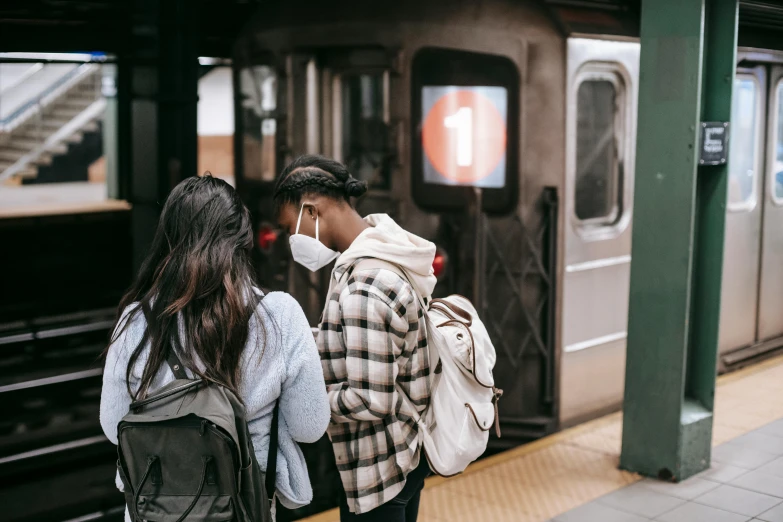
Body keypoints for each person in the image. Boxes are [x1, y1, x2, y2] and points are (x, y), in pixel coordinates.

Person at [100, 175, 330, 521]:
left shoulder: (135, 320)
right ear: (242, 239)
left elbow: (113, 424)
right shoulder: (278, 315)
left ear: (168, 240)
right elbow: (309, 427)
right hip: (241, 509)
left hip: (154, 510)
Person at [274, 155, 437, 521]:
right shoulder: (384, 253)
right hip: (404, 456)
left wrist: (303, 401)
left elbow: (370, 399)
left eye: (289, 228)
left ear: (312, 212)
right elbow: (357, 342)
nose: (291, 239)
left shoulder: (364, 287)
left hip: (378, 472)